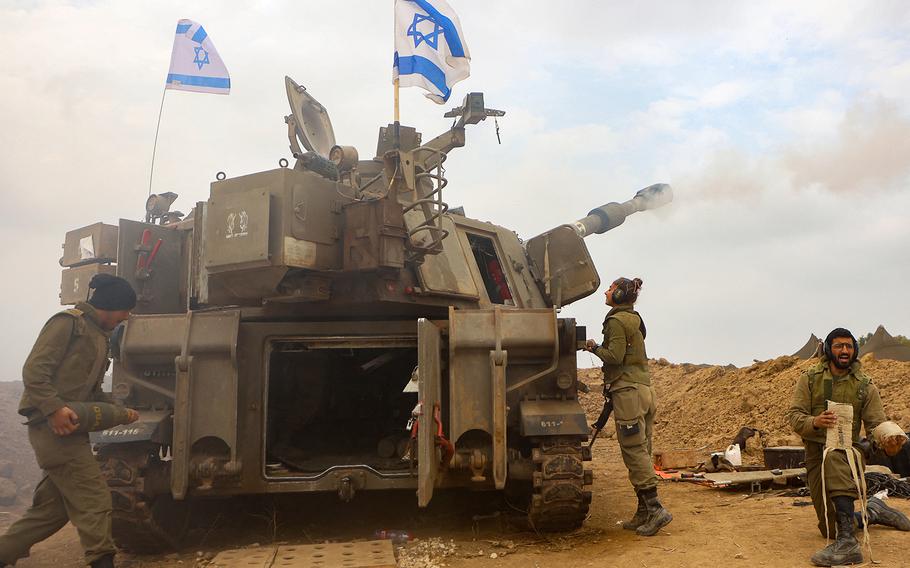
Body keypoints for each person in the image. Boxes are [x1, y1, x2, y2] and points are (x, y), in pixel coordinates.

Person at [0, 274, 139, 568]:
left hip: (71, 429)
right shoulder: (67, 324)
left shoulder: (98, 336)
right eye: (126, 309)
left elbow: (91, 389)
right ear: (112, 305)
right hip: (52, 427)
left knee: (52, 510)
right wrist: (54, 409)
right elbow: (34, 372)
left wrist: (117, 410)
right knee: (94, 498)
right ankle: (102, 561)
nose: (127, 316)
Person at [788, 327, 910, 567]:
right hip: (815, 455)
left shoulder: (865, 385)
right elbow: (794, 416)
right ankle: (873, 511)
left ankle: (848, 544)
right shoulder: (810, 379)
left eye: (849, 346)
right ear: (828, 350)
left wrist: (888, 440)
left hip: (849, 455)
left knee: (835, 455)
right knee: (828, 528)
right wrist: (815, 422)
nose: (844, 351)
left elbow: (876, 424)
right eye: (838, 346)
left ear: (854, 350)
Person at [584, 276, 671, 536]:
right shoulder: (636, 318)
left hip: (628, 391)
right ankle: (643, 511)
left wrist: (593, 347)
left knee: (633, 451)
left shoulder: (616, 321)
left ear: (620, 294)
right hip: (644, 389)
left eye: (610, 289)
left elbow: (615, 356)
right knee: (642, 448)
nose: (606, 293)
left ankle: (655, 509)